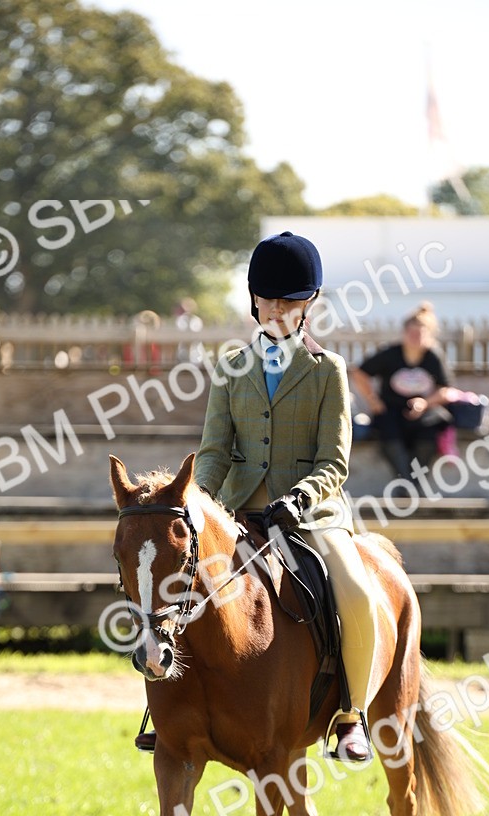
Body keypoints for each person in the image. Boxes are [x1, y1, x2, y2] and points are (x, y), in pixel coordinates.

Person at [194, 230, 377, 762]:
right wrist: (201, 499)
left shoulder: (328, 371)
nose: (279, 310)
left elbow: (334, 461)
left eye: (291, 301)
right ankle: (168, 710)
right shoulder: (231, 366)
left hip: (310, 515)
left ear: (308, 304)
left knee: (358, 596)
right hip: (238, 509)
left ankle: (350, 715)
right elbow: (214, 450)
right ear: (254, 300)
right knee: (181, 583)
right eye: (270, 299)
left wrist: (297, 500)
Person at [348, 301, 454, 478]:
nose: (415, 337)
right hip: (391, 411)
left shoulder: (434, 357)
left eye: (420, 333)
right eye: (411, 332)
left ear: (429, 335)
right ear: (404, 332)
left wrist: (425, 403)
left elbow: (445, 390)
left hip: (423, 413)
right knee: (388, 430)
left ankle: (416, 479)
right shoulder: (390, 354)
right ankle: (405, 480)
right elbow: (359, 373)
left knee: (432, 430)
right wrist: (373, 400)